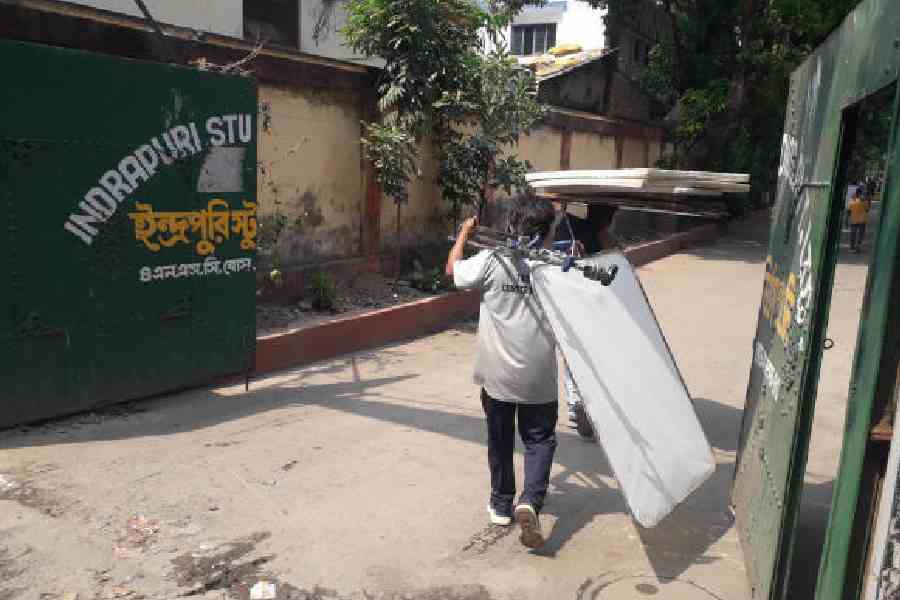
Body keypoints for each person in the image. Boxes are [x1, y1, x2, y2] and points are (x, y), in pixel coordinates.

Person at [445, 192, 559, 549]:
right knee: (539, 439)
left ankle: (500, 504)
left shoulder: (492, 260)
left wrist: (463, 234)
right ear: (546, 232)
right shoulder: (556, 267)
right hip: (538, 376)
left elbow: (452, 271)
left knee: (500, 438)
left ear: (511, 225)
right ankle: (531, 501)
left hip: (496, 374)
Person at [554, 204, 619, 434]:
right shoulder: (577, 230)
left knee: (576, 350)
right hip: (580, 296)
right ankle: (580, 405)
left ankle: (578, 404)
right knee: (580, 349)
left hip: (579, 295)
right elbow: (612, 254)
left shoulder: (570, 226)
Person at [848, 189, 870, 253]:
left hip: (854, 220)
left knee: (853, 234)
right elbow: (867, 210)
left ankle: (852, 247)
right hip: (862, 220)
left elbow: (849, 210)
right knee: (861, 234)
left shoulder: (851, 200)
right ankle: (858, 246)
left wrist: (848, 219)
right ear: (860, 194)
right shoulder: (865, 201)